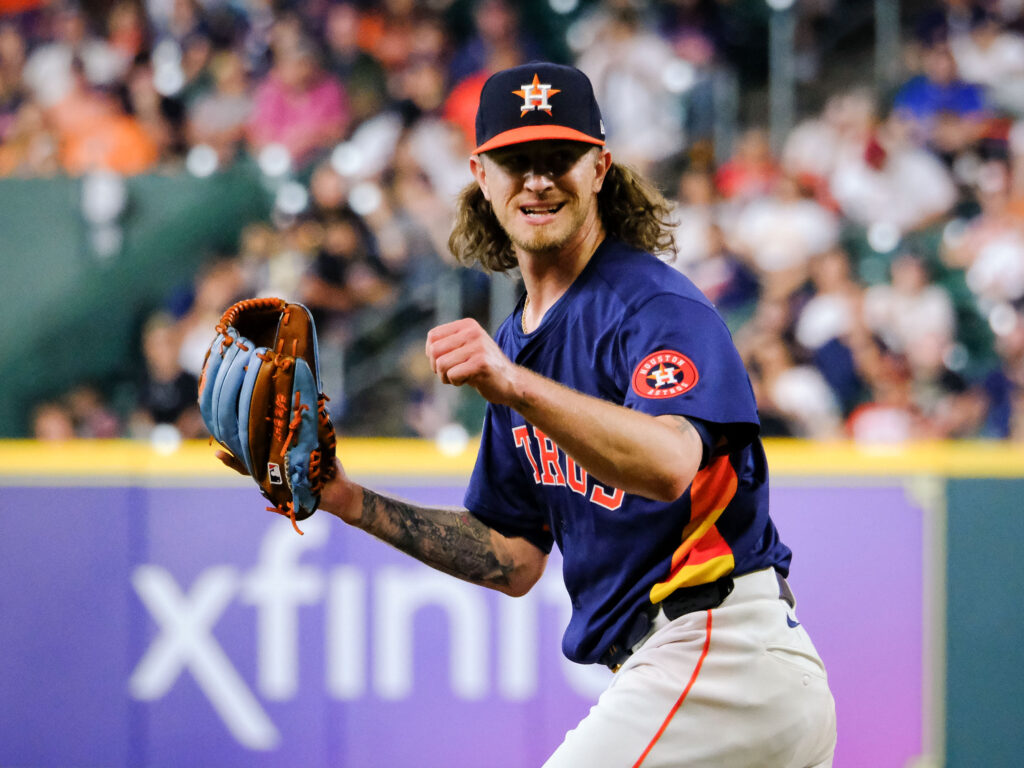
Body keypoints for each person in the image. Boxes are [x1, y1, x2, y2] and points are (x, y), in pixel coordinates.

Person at [222, 62, 837, 766]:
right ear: (481, 175)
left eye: (558, 159)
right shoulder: (518, 342)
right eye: (517, 161)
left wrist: (513, 384)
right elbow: (511, 558)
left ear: (600, 168)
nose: (538, 180)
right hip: (708, 679)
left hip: (720, 657)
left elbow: (670, 465)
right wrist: (345, 497)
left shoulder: (649, 308)